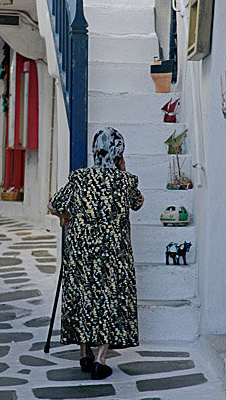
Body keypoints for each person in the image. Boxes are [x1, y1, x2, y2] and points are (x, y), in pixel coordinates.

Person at [48, 127, 144, 380]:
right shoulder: (126, 181)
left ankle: (84, 354)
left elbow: (53, 205)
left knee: (84, 296)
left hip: (81, 250)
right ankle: (101, 359)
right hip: (114, 252)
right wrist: (123, 172)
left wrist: (66, 216)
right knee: (108, 299)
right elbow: (138, 202)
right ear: (119, 153)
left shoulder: (79, 177)